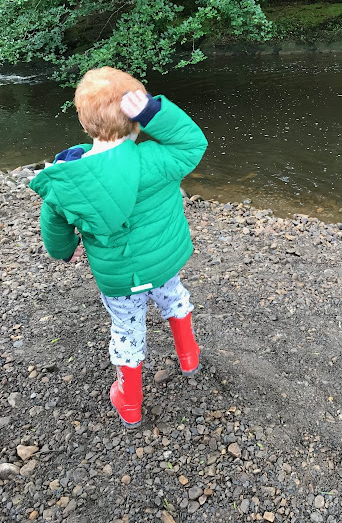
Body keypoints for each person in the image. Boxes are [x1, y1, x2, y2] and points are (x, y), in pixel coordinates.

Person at [29, 66, 208, 428]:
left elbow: (55, 229)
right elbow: (192, 142)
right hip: (162, 263)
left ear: (84, 122)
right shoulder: (158, 161)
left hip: (119, 278)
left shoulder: (69, 181)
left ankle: (130, 403)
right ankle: (189, 357)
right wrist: (156, 112)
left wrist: (65, 251)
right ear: (137, 120)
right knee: (174, 298)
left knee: (127, 328)